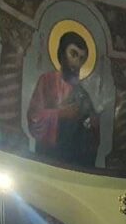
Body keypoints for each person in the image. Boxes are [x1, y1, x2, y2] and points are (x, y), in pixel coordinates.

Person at [27, 31, 100, 167]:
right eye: (73, 54)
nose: (77, 62)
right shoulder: (47, 80)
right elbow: (34, 118)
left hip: (73, 159)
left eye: (82, 58)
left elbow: (92, 138)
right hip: (48, 157)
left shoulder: (82, 94)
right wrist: (61, 114)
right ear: (62, 53)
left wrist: (93, 124)